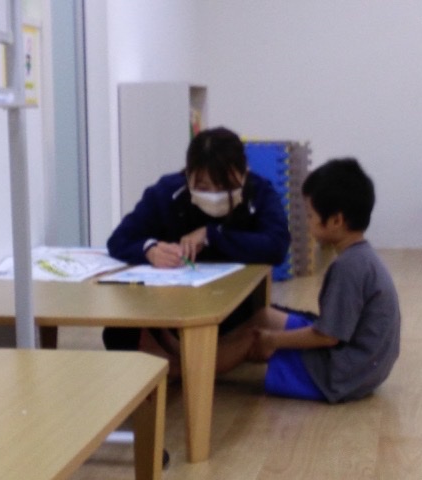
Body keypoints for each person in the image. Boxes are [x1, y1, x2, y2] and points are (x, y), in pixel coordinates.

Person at [214, 157, 401, 403]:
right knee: (264, 317)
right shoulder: (361, 256)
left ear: (336, 221)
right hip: (363, 364)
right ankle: (201, 354)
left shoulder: (348, 267)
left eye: (311, 215)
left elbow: (328, 336)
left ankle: (185, 369)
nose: (307, 221)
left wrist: (273, 340)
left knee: (254, 338)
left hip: (343, 374)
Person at [103, 126, 291, 368]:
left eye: (225, 186)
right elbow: (119, 239)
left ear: (244, 173)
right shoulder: (167, 192)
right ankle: (194, 360)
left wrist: (212, 235)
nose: (214, 194)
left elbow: (277, 245)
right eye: (203, 187)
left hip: (236, 308)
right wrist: (150, 250)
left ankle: (181, 364)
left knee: (296, 325)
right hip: (173, 308)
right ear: (188, 174)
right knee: (116, 334)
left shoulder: (259, 192)